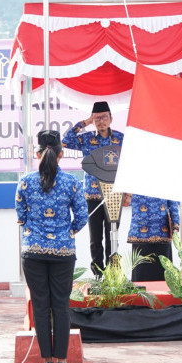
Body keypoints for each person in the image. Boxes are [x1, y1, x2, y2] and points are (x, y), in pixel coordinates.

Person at [16, 130, 88, 363]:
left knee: (40, 305)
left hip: (33, 252)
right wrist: (65, 234)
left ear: (37, 153)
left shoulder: (25, 181)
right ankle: (62, 361)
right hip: (63, 252)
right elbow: (81, 218)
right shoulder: (72, 182)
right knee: (61, 305)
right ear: (61, 154)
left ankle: (47, 361)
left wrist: (35, 232)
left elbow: (21, 216)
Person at [62, 101, 124, 277]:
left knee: (112, 234)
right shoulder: (87, 138)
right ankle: (98, 273)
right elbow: (65, 141)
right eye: (97, 118)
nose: (101, 121)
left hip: (114, 194)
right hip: (93, 195)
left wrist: (127, 193)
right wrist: (85, 122)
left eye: (104, 117)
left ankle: (113, 274)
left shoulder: (120, 138)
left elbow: (129, 165)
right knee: (95, 238)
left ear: (111, 118)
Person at [123, 193, 180, 281]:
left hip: (162, 232)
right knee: (141, 277)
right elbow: (126, 200)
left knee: (163, 274)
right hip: (140, 233)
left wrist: (175, 224)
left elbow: (173, 199)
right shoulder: (133, 180)